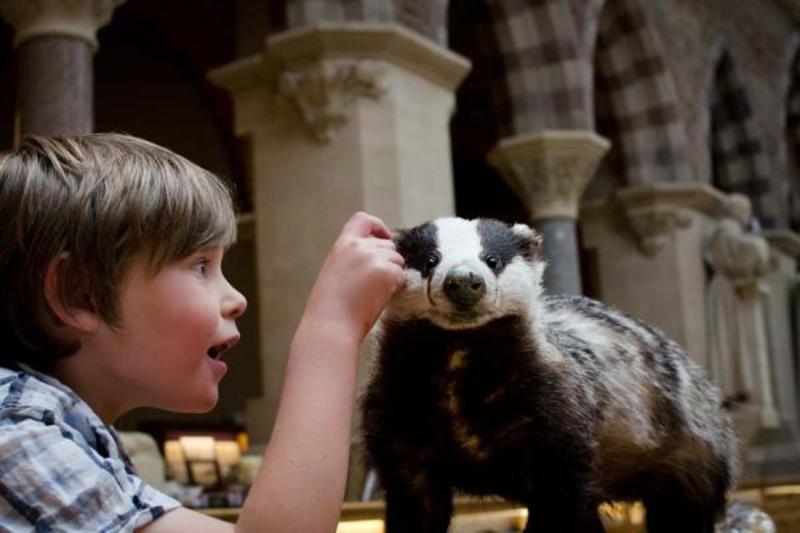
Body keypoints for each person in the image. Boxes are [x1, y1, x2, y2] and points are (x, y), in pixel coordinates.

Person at [0, 133, 405, 532]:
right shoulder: (13, 436)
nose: (237, 299)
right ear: (80, 293)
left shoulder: (68, 435)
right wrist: (331, 329)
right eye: (200, 265)